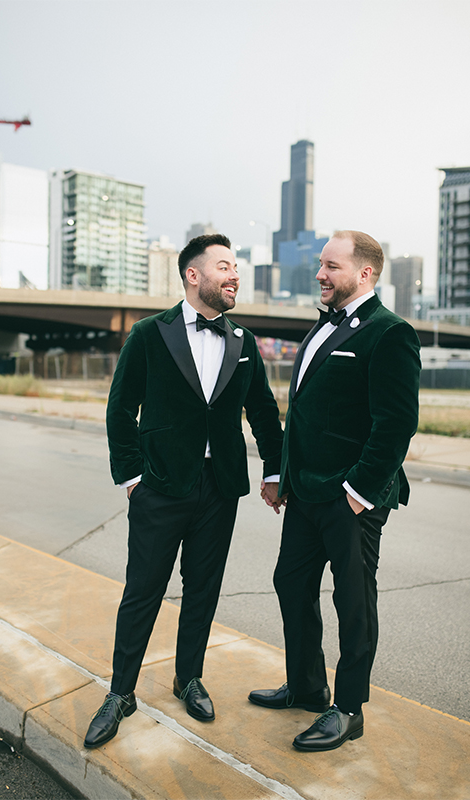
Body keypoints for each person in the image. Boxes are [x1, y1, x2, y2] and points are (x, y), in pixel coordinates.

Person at [84, 233, 283, 749]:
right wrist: (131, 479)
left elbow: (262, 410)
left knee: (203, 590)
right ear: (193, 275)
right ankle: (121, 692)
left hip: (219, 490)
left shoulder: (243, 342)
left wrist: (275, 470)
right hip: (160, 489)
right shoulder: (150, 333)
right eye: (223, 266)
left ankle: (188, 677)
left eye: (235, 265)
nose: (234, 274)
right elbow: (120, 408)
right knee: (142, 592)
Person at [249, 230, 421, 752]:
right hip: (305, 492)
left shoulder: (390, 333)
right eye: (321, 265)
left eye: (332, 266)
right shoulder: (321, 327)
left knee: (353, 601)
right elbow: (303, 416)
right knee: (290, 583)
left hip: (350, 497)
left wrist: (359, 491)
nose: (320, 274)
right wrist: (281, 473)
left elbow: (395, 424)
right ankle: (306, 686)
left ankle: (347, 708)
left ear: (365, 273)